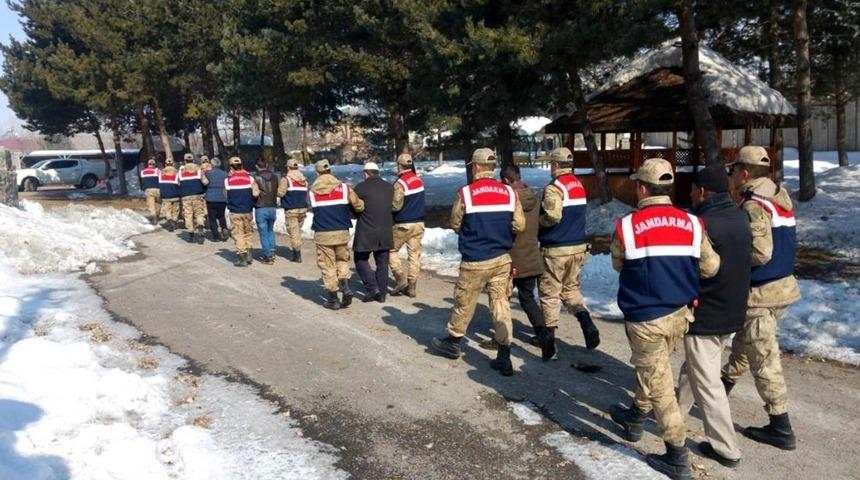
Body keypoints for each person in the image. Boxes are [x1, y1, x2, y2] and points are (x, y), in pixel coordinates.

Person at [608, 158, 720, 480]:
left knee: (660, 385)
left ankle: (676, 455)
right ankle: (635, 417)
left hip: (646, 319)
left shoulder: (627, 226)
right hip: (680, 315)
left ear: (642, 188)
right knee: (654, 370)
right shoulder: (693, 223)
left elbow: (618, 264)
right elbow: (711, 267)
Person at [721, 145, 801, 450]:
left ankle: (781, 426)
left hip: (762, 294)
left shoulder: (754, 205)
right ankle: (719, 391)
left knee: (764, 360)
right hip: (781, 288)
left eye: (731, 171)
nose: (729, 176)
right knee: (744, 345)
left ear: (744, 173)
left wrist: (729, 260)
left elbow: (760, 252)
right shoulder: (779, 198)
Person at [676, 162, 750, 468]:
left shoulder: (701, 223)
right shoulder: (740, 216)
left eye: (693, 189)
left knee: (708, 382)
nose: (691, 194)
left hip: (705, 311)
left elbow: (693, 270)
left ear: (702, 191)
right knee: (694, 368)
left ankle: (726, 448)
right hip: (731, 309)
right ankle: (673, 414)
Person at [429, 148, 525, 377]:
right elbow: (519, 225)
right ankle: (504, 355)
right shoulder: (510, 193)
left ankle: (453, 342)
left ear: (477, 167)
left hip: (475, 260)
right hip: (502, 259)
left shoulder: (466, 193)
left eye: (473, 166)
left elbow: (455, 223)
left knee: (465, 301)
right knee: (500, 304)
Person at [479, 164, 553, 360]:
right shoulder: (536, 198)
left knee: (500, 300)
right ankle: (544, 335)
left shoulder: (510, 200)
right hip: (532, 256)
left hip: (512, 258)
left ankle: (501, 339)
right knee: (528, 299)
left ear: (505, 180)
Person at [538, 147, 600, 356]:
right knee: (571, 290)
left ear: (555, 165)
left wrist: (539, 224)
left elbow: (553, 217)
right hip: (578, 248)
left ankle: (548, 343)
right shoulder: (578, 185)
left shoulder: (554, 187)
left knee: (550, 295)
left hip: (556, 250)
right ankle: (587, 323)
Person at [308, 159, 365, 310]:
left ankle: (333, 299)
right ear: (331, 171)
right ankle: (345, 287)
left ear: (317, 173)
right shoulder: (345, 188)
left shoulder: (312, 192)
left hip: (323, 233)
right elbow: (359, 205)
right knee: (342, 260)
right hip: (341, 231)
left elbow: (311, 207)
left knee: (327, 265)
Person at [353, 162, 394, 303]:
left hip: (366, 230)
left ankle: (372, 288)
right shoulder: (389, 187)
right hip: (386, 230)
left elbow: (354, 207)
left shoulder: (360, 187)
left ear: (365, 173)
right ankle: (382, 293)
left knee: (360, 259)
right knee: (382, 261)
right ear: (377, 172)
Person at [390, 153, 425, 297]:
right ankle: (412, 287)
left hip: (403, 224)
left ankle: (400, 279)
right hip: (419, 223)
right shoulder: (419, 180)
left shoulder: (400, 183)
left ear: (399, 165)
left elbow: (396, 205)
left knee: (390, 250)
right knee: (414, 255)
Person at [224, 156, 258, 266]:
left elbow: (225, 195)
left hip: (235, 211)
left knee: (238, 234)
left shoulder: (227, 180)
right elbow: (256, 193)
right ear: (242, 165)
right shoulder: (250, 178)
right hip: (248, 210)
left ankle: (242, 258)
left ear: (230, 167)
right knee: (248, 232)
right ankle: (249, 254)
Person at [277, 157, 309, 262]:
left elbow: (280, 193)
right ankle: (297, 248)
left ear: (288, 167)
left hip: (291, 209)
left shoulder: (286, 179)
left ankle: (297, 255)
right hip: (303, 209)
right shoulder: (304, 180)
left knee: (293, 232)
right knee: (297, 231)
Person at [253, 159, 279, 264]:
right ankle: (272, 251)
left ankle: (267, 256)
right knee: (270, 230)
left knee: (263, 233)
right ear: (267, 165)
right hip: (272, 206)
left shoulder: (255, 177)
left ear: (256, 166)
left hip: (261, 207)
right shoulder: (275, 177)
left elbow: (254, 193)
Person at [178, 153, 209, 244]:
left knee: (188, 215)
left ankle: (191, 233)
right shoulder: (199, 170)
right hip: (197, 196)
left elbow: (178, 183)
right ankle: (200, 226)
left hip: (186, 197)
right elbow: (205, 182)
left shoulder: (181, 172)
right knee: (199, 214)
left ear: (185, 161)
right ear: (193, 160)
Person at [203, 157, 229, 241]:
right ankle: (224, 228)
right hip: (222, 197)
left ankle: (216, 236)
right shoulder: (224, 174)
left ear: (212, 164)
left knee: (212, 218)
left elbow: (204, 183)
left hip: (211, 198)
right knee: (221, 216)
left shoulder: (208, 173)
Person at [158, 158, 181, 231]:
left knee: (167, 211)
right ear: (173, 164)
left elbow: (159, 186)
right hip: (176, 196)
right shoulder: (177, 174)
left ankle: (170, 220)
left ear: (165, 164)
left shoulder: (161, 174)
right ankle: (174, 221)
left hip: (165, 197)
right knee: (175, 210)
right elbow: (180, 185)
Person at [140, 158, 160, 225]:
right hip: (157, 189)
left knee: (151, 205)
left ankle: (154, 217)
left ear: (148, 164)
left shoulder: (143, 171)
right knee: (158, 203)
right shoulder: (157, 170)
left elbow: (142, 181)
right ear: (154, 164)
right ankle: (157, 215)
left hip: (148, 190)